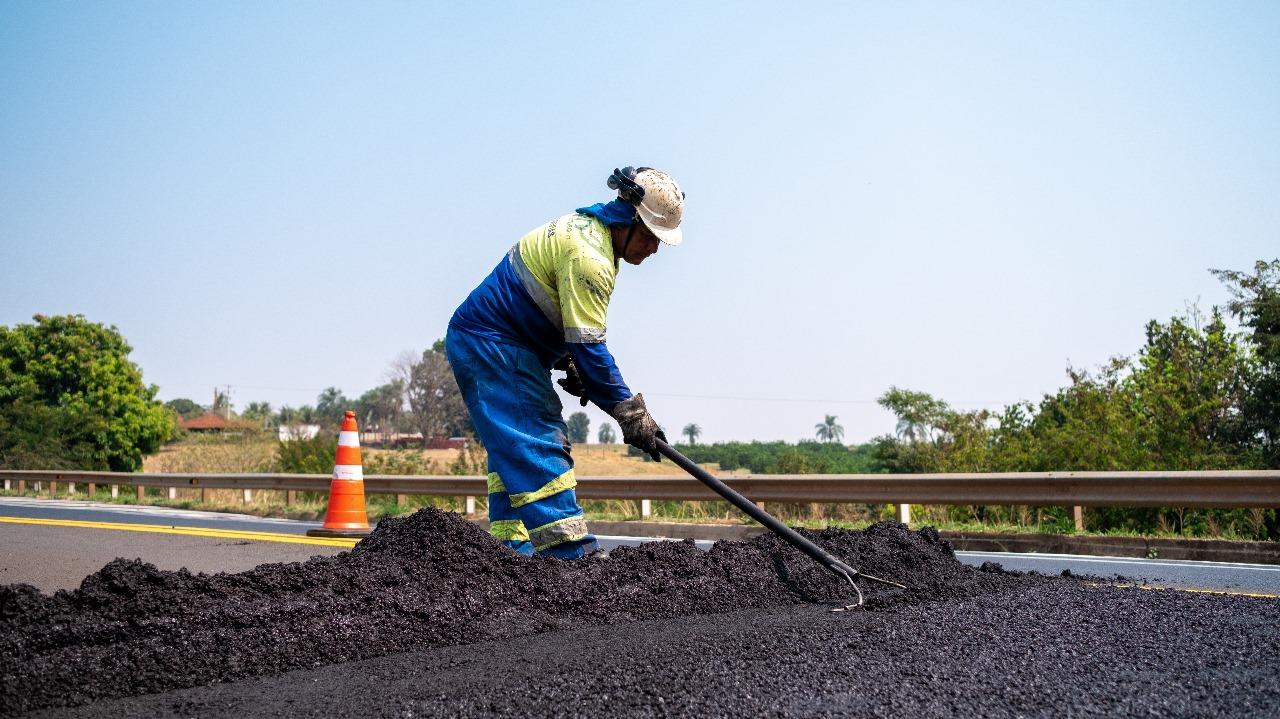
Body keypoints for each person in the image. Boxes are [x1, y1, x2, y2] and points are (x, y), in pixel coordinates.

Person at [445, 166, 685, 559]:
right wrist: (630, 413)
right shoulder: (590, 257)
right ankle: (573, 555)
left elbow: (555, 315)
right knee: (537, 435)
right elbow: (590, 346)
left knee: (513, 447)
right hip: (495, 345)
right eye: (651, 237)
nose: (655, 249)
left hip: (492, 341)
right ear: (629, 219)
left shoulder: (589, 232)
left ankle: (511, 551)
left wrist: (571, 361)